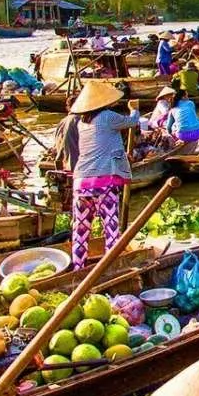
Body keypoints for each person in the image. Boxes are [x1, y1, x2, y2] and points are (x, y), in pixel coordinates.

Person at [70, 82, 139, 269]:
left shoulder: (82, 123)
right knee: (111, 229)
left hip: (80, 183)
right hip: (103, 183)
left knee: (81, 230)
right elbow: (132, 122)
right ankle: (111, 267)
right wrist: (134, 109)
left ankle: (78, 267)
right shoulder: (107, 117)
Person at [51, 95, 82, 172]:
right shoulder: (81, 121)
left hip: (64, 164)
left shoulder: (62, 122)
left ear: (68, 108)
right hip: (77, 166)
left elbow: (58, 146)